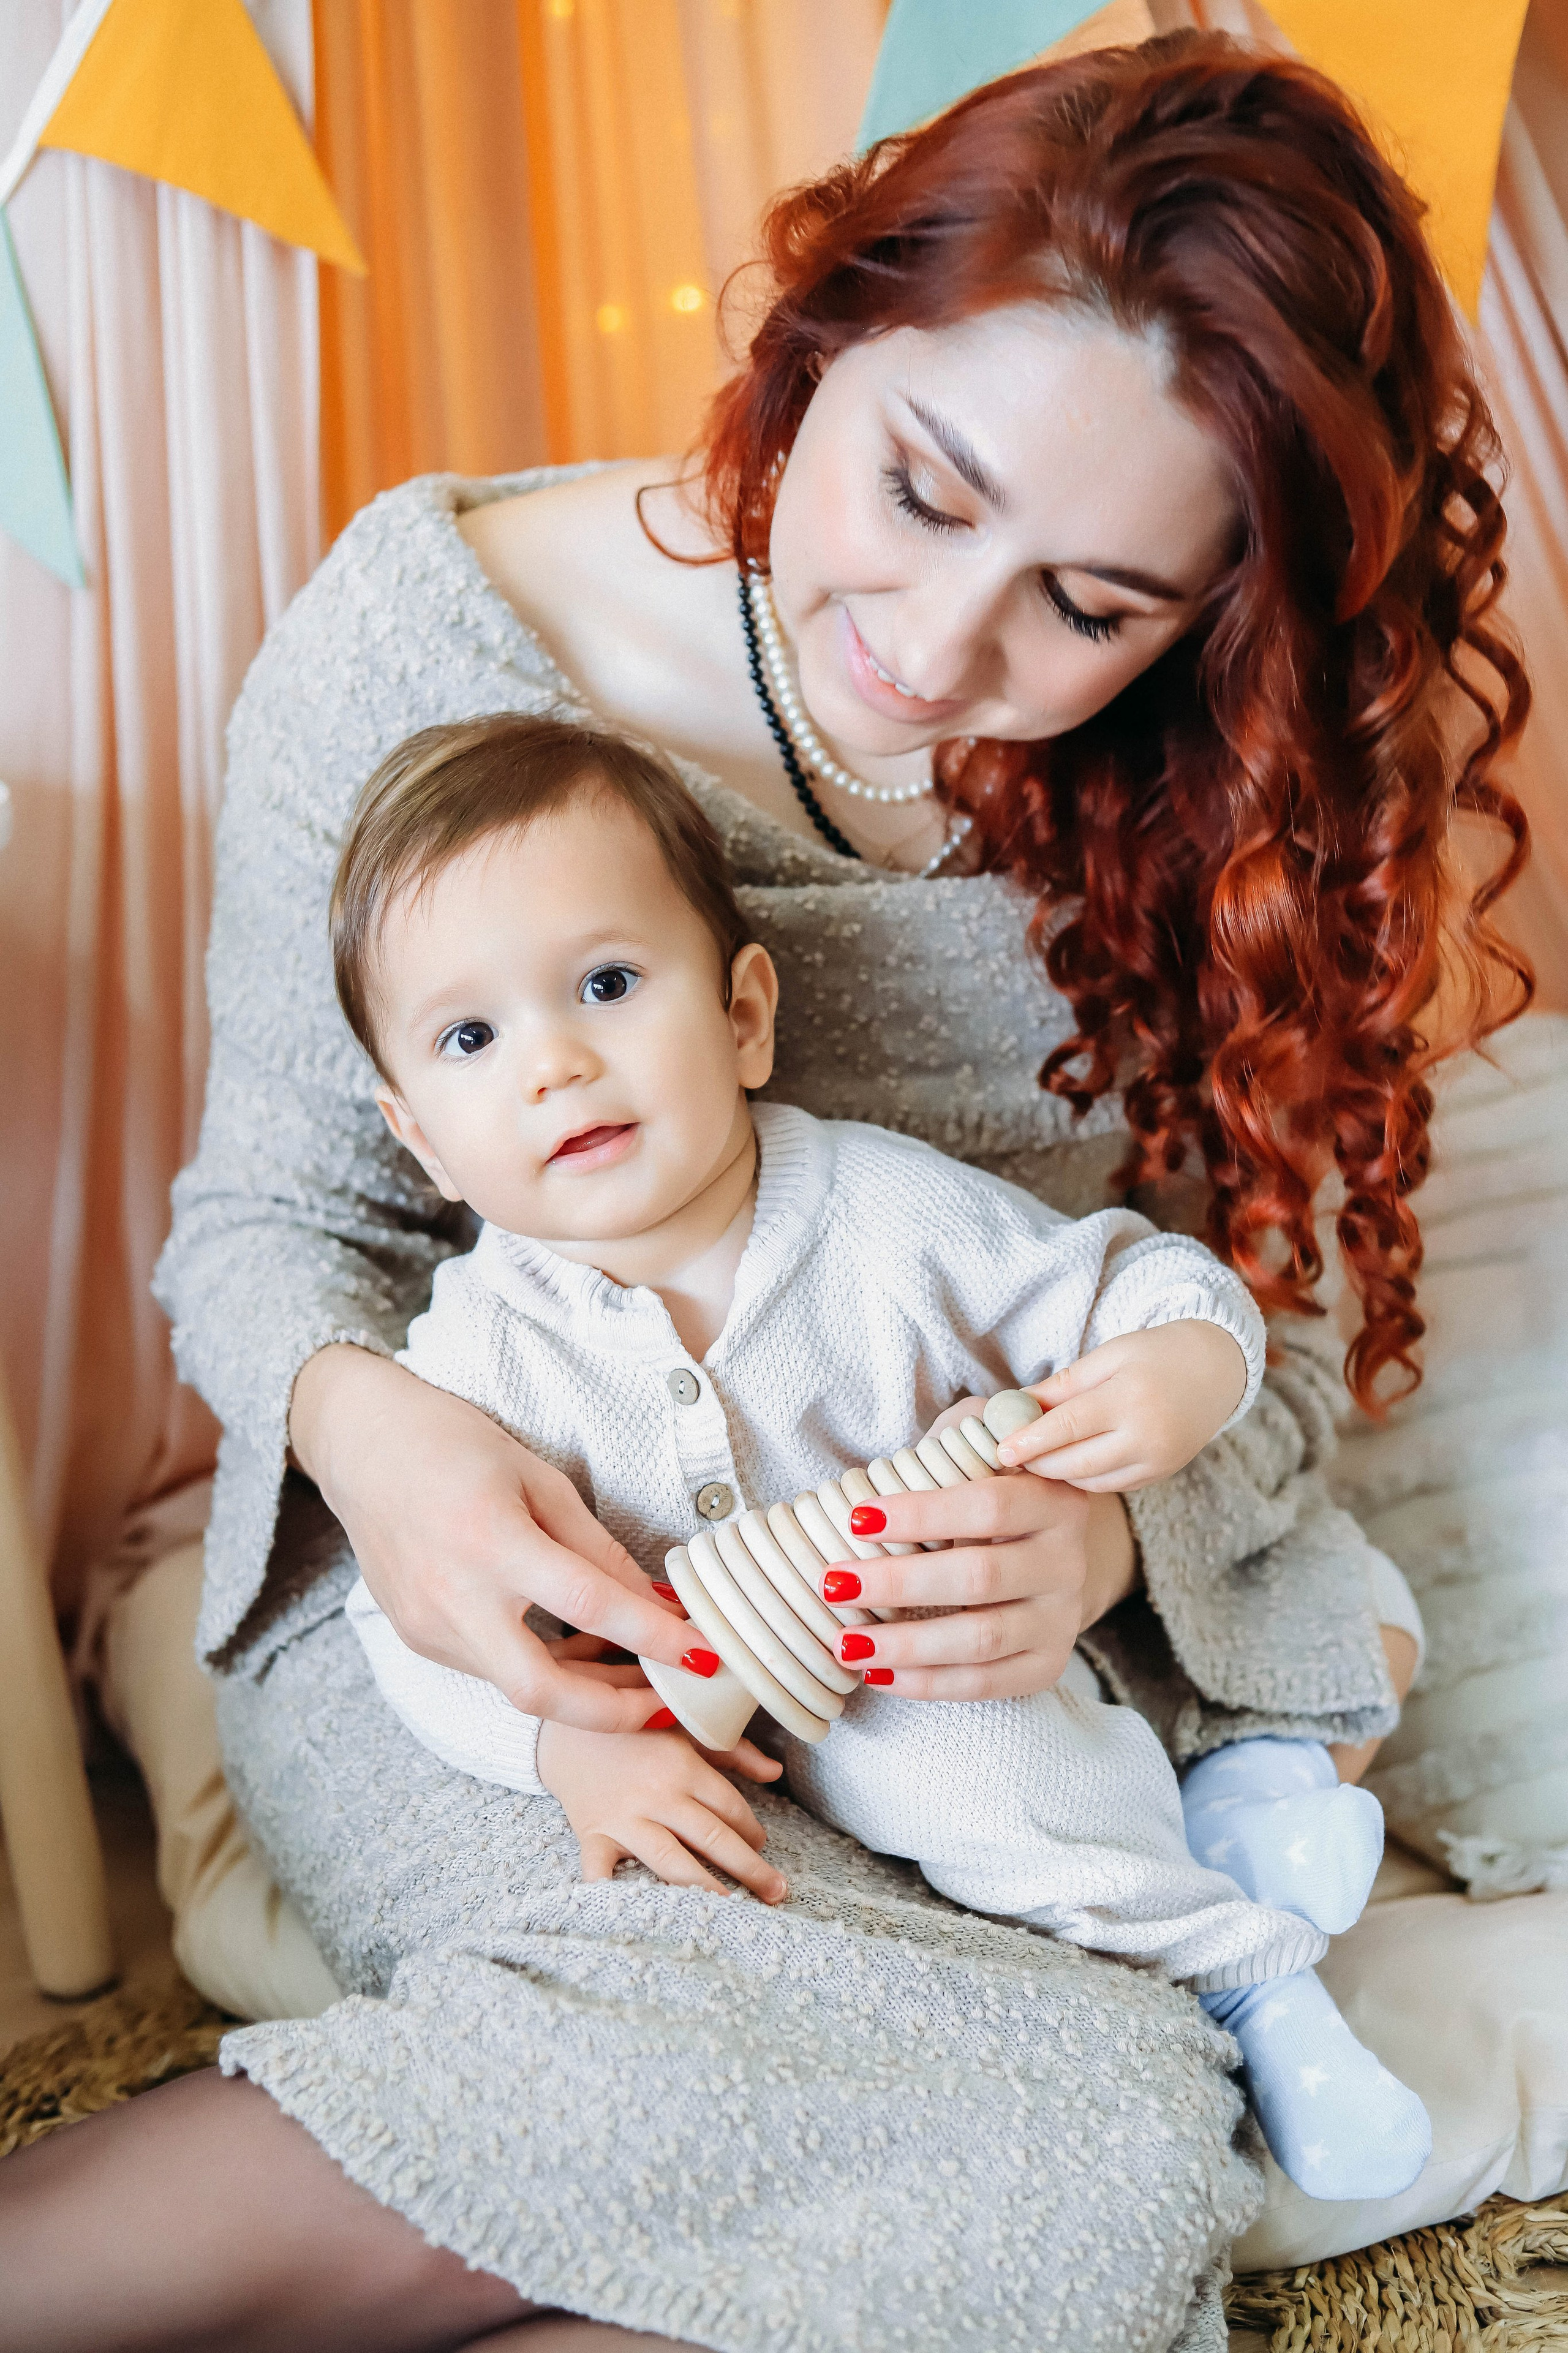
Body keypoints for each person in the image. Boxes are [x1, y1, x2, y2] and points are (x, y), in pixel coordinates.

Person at [0, 32, 1526, 2353]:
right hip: (492, 1623)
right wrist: (388, 1455)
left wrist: (1114, 1537)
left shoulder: (1206, 791)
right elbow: (266, 1225)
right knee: (785, 2041)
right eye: (919, 488)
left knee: (1117, 2152)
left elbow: (1248, 1319)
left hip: (919, 1661)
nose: (943, 648)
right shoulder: (429, 636)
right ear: (830, 328)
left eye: (1091, 604)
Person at [337, 708, 1430, 2204]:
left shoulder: (882, 1213)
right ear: (417, 1137)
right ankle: (1236, 1825)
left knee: (1056, 1752)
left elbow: (1134, 1281)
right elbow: (408, 1619)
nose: (555, 1064)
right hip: (717, 1718)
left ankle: (1250, 1972)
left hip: (929, 1655)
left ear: (741, 1016)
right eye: (471, 1037)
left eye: (605, 984)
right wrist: (564, 1746)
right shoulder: (470, 1355)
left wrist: (1178, 1364)